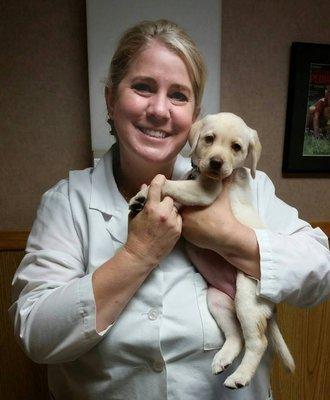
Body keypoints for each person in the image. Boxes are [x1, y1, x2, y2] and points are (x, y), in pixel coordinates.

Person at [10, 20, 330, 400]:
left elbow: (321, 271)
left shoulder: (247, 186)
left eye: (179, 96)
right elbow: (37, 335)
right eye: (143, 87)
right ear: (111, 99)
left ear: (195, 116)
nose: (160, 110)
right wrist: (138, 253)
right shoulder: (68, 202)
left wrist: (229, 236)